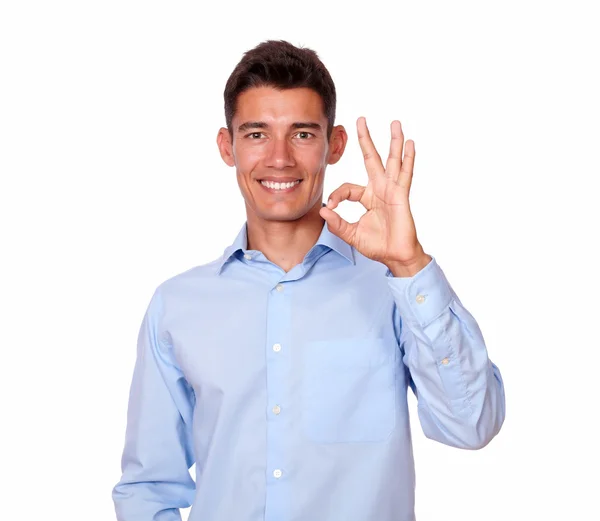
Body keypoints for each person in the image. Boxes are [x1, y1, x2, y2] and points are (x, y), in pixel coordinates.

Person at [112, 39, 505, 521]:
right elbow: (148, 487)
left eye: (301, 134)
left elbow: (473, 425)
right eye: (256, 134)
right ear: (226, 146)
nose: (279, 158)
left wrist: (409, 264)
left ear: (333, 144)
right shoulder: (177, 306)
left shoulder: (392, 288)